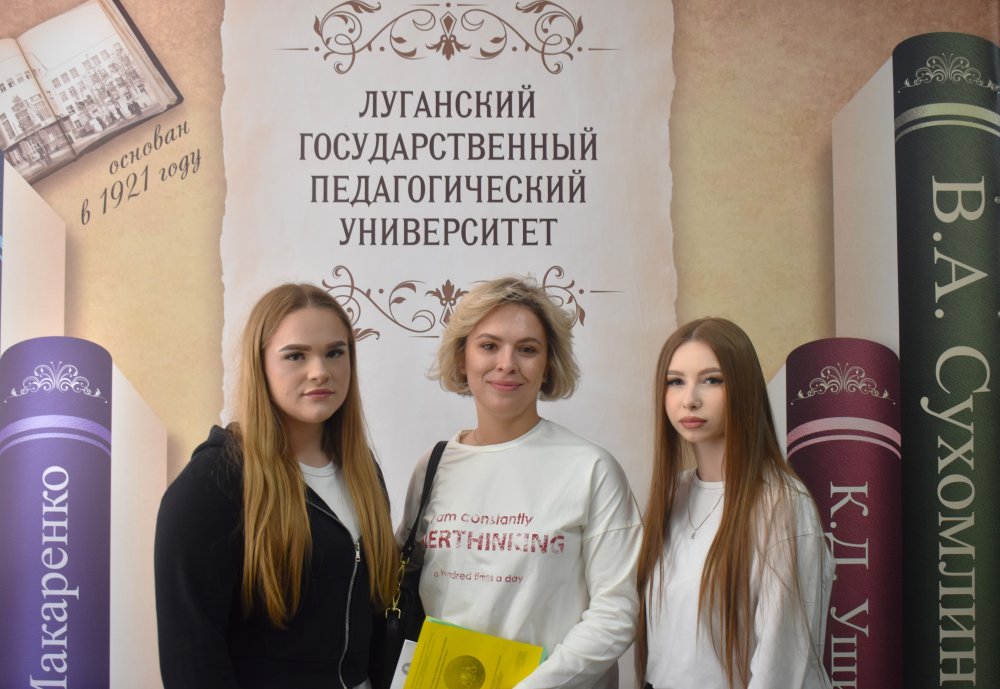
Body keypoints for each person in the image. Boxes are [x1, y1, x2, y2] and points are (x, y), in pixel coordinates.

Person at [399, 276, 642, 689]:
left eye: (527, 349)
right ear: (462, 358)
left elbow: (616, 613)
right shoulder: (434, 466)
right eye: (489, 346)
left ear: (548, 366)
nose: (507, 364)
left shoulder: (591, 468)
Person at [154, 283, 397, 689]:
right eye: (296, 355)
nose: (320, 371)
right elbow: (192, 656)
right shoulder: (212, 484)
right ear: (260, 365)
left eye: (334, 353)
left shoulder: (362, 472)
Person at [636, 317, 834, 689]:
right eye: (675, 381)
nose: (689, 399)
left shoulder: (781, 504)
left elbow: (782, 664)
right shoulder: (672, 494)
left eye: (712, 380)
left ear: (742, 388)